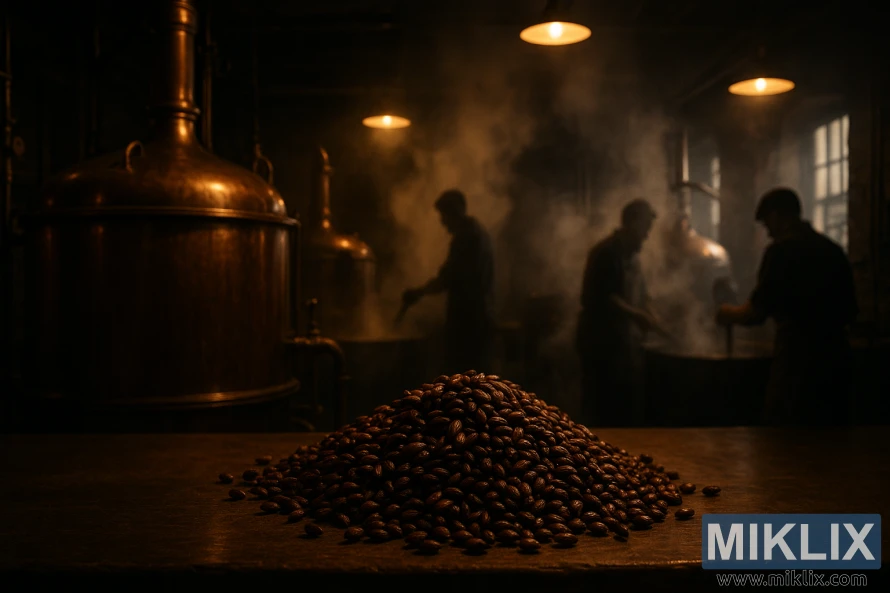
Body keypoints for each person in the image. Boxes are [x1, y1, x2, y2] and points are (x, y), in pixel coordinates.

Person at [716, 187, 858, 426]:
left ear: (777, 216)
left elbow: (755, 314)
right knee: (832, 444)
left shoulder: (781, 252)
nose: (768, 232)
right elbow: (851, 310)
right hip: (836, 362)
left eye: (767, 224)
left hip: (797, 363)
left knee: (786, 438)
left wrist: (726, 312)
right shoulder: (832, 250)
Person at [575, 198, 667, 427]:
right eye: (646, 228)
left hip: (625, 346)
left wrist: (652, 314)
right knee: (602, 410)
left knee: (625, 409)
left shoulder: (633, 257)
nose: (647, 235)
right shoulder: (605, 253)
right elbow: (605, 298)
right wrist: (640, 316)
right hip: (601, 346)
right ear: (632, 222)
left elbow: (643, 294)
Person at [401, 190, 496, 373]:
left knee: (465, 381)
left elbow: (448, 278)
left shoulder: (468, 237)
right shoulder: (477, 233)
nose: (442, 222)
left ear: (456, 212)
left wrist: (418, 292)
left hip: (469, 325)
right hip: (480, 320)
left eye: (443, 215)